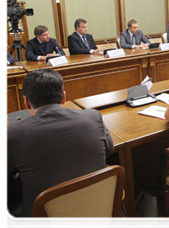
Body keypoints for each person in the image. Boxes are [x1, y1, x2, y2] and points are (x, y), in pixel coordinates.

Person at [5, 69, 114, 228]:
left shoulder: (12, 134)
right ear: (63, 97)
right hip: (99, 209)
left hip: (45, 221)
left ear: (26, 102)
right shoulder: (93, 116)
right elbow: (109, 150)